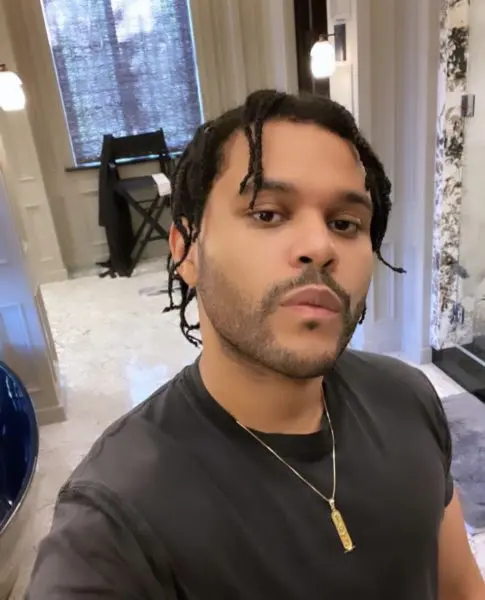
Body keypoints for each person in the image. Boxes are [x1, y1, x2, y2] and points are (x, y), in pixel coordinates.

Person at [26, 90, 485, 600]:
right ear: (186, 251)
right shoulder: (111, 527)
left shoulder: (408, 396)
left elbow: (462, 587)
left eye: (344, 224)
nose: (320, 246)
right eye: (267, 214)